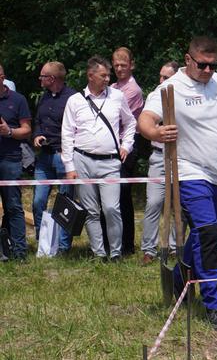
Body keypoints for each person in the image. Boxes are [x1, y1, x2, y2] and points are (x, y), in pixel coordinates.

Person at [138, 36, 217, 331]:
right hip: (188, 171)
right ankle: (214, 306)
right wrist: (156, 134)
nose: (208, 71)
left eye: (212, 65)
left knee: (206, 234)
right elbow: (145, 120)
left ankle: (182, 276)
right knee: (208, 232)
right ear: (188, 59)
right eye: (202, 65)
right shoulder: (171, 87)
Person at [62, 56, 136, 261]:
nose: (107, 78)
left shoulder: (117, 96)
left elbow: (130, 123)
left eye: (108, 75)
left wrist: (126, 145)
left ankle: (116, 253)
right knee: (91, 211)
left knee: (112, 208)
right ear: (90, 75)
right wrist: (69, 165)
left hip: (110, 161)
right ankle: (99, 253)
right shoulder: (75, 100)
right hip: (82, 160)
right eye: (103, 75)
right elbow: (67, 134)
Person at [31, 61, 77, 254]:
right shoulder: (44, 98)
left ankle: (64, 247)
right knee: (37, 201)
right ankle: (43, 242)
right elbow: (38, 121)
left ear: (52, 78)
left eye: (42, 76)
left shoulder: (74, 98)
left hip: (63, 157)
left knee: (65, 203)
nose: (39, 79)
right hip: (44, 159)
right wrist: (37, 134)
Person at [140, 61, 179, 265]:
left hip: (180, 157)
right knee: (153, 203)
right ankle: (149, 249)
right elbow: (147, 124)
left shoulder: (181, 96)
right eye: (160, 76)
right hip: (158, 156)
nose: (161, 80)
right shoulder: (154, 96)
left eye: (166, 77)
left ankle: (174, 247)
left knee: (178, 205)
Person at [111, 47, 144, 255]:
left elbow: (116, 118)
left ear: (132, 64)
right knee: (113, 196)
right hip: (112, 147)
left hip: (127, 147)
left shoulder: (132, 90)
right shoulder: (114, 86)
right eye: (116, 65)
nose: (120, 68)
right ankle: (115, 241)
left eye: (124, 65)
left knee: (123, 196)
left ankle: (127, 244)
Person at [0, 63, 31, 261]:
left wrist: (9, 132)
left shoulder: (17, 100)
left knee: (13, 207)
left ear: (2, 77)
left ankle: (19, 252)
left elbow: (26, 130)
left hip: (10, 160)